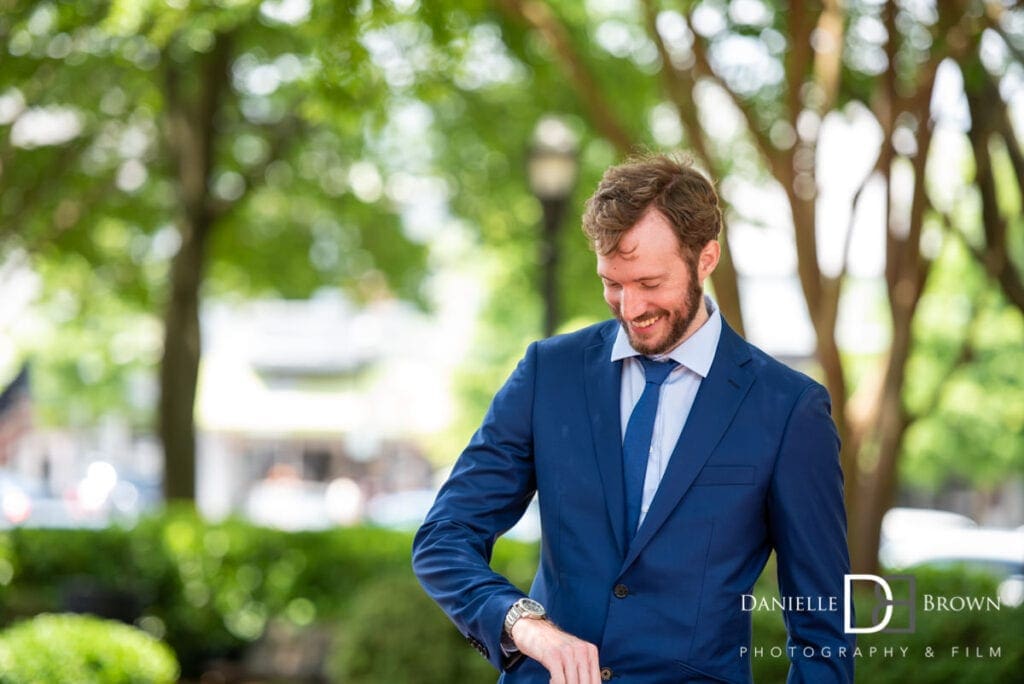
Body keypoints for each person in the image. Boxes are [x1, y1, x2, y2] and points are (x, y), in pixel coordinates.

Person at [413, 154, 854, 683]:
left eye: (649, 281)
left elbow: (823, 631)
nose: (629, 306)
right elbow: (444, 536)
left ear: (706, 258)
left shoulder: (788, 409)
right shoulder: (547, 373)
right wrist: (524, 625)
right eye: (612, 283)